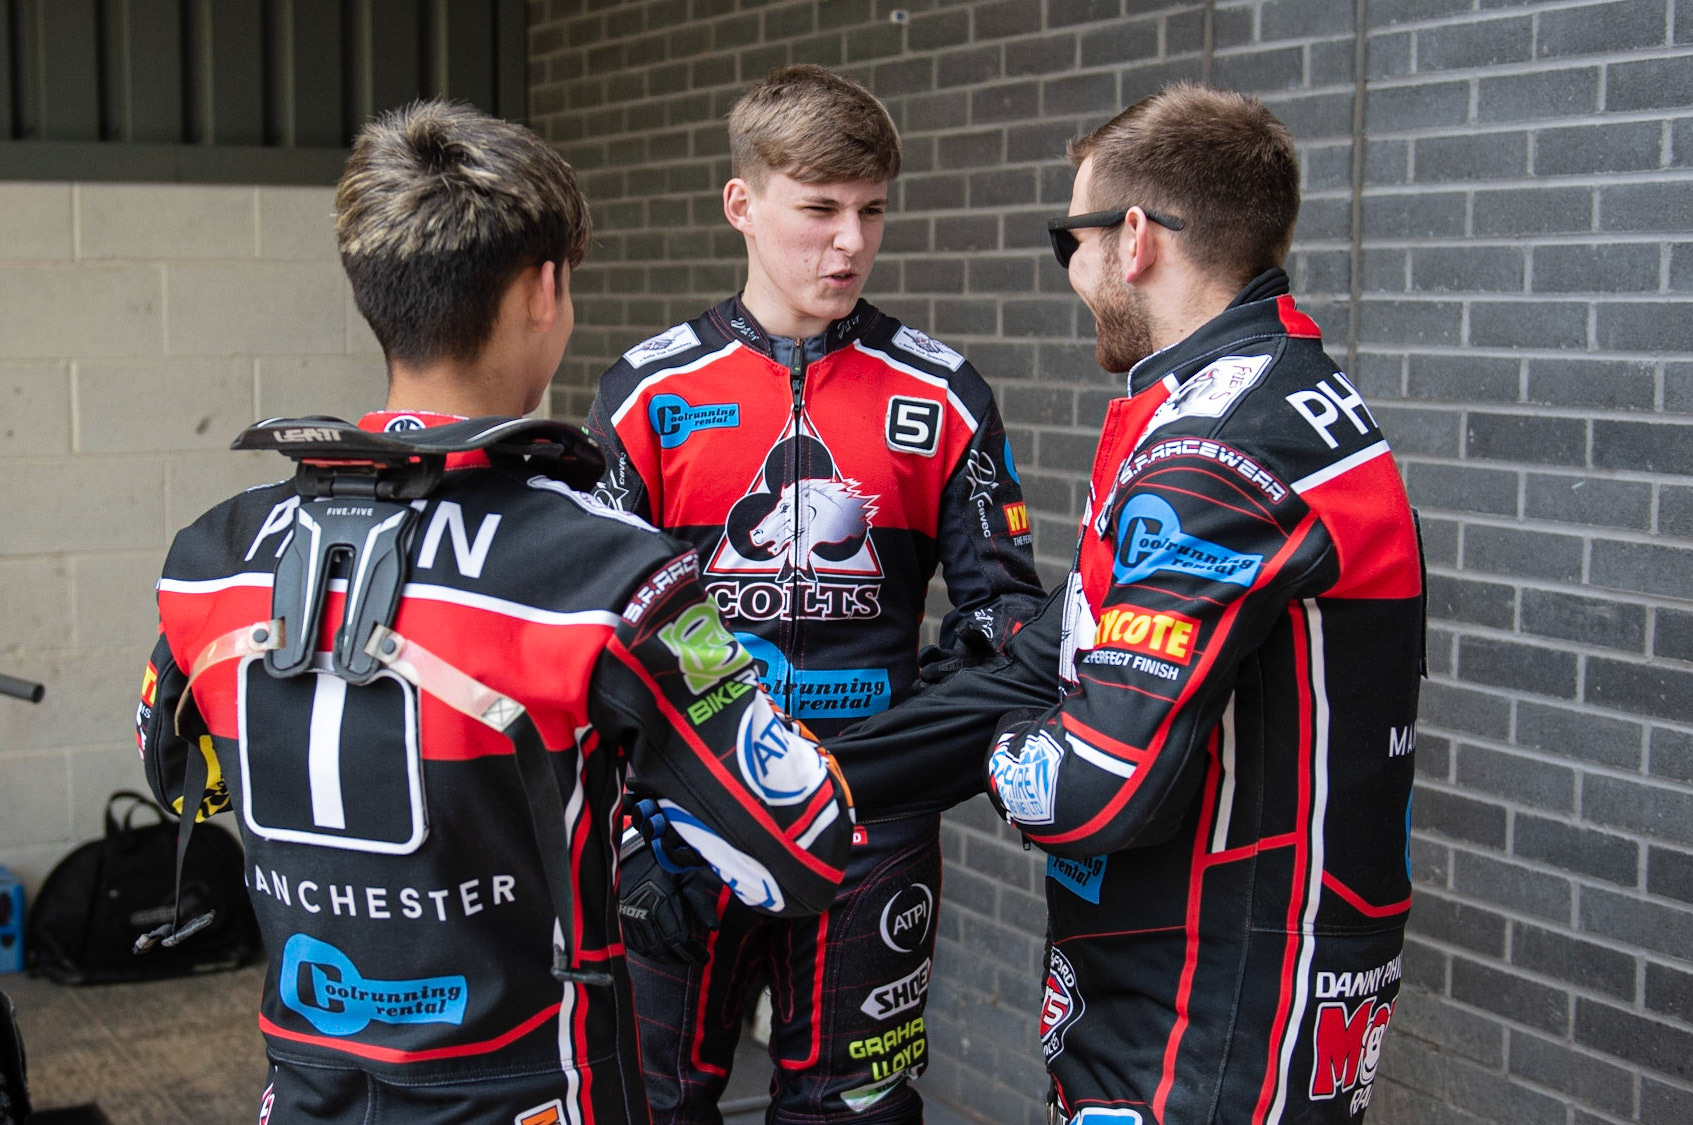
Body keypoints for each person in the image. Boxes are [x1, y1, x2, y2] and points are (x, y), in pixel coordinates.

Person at [132, 99, 853, 1125]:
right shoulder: (600, 569)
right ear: (545, 287)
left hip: (304, 1089)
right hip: (528, 1091)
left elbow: (180, 779)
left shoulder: (214, 555)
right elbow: (806, 844)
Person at [835, 83, 1425, 1124]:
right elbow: (1056, 654)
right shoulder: (1253, 395)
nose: (1071, 269)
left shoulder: (1220, 452)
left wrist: (1009, 741)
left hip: (1215, 979)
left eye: (1071, 237)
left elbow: (1091, 789)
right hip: (1220, 953)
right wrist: (818, 780)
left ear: (1134, 238)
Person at [585, 66, 1044, 1124]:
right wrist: (622, 817)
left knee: (857, 1110)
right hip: (683, 824)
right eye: (820, 209)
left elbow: (999, 621)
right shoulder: (650, 391)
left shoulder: (941, 391)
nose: (849, 242)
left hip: (870, 827)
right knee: (647, 1101)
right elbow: (598, 633)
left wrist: (906, 756)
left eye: (871, 211)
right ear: (742, 205)